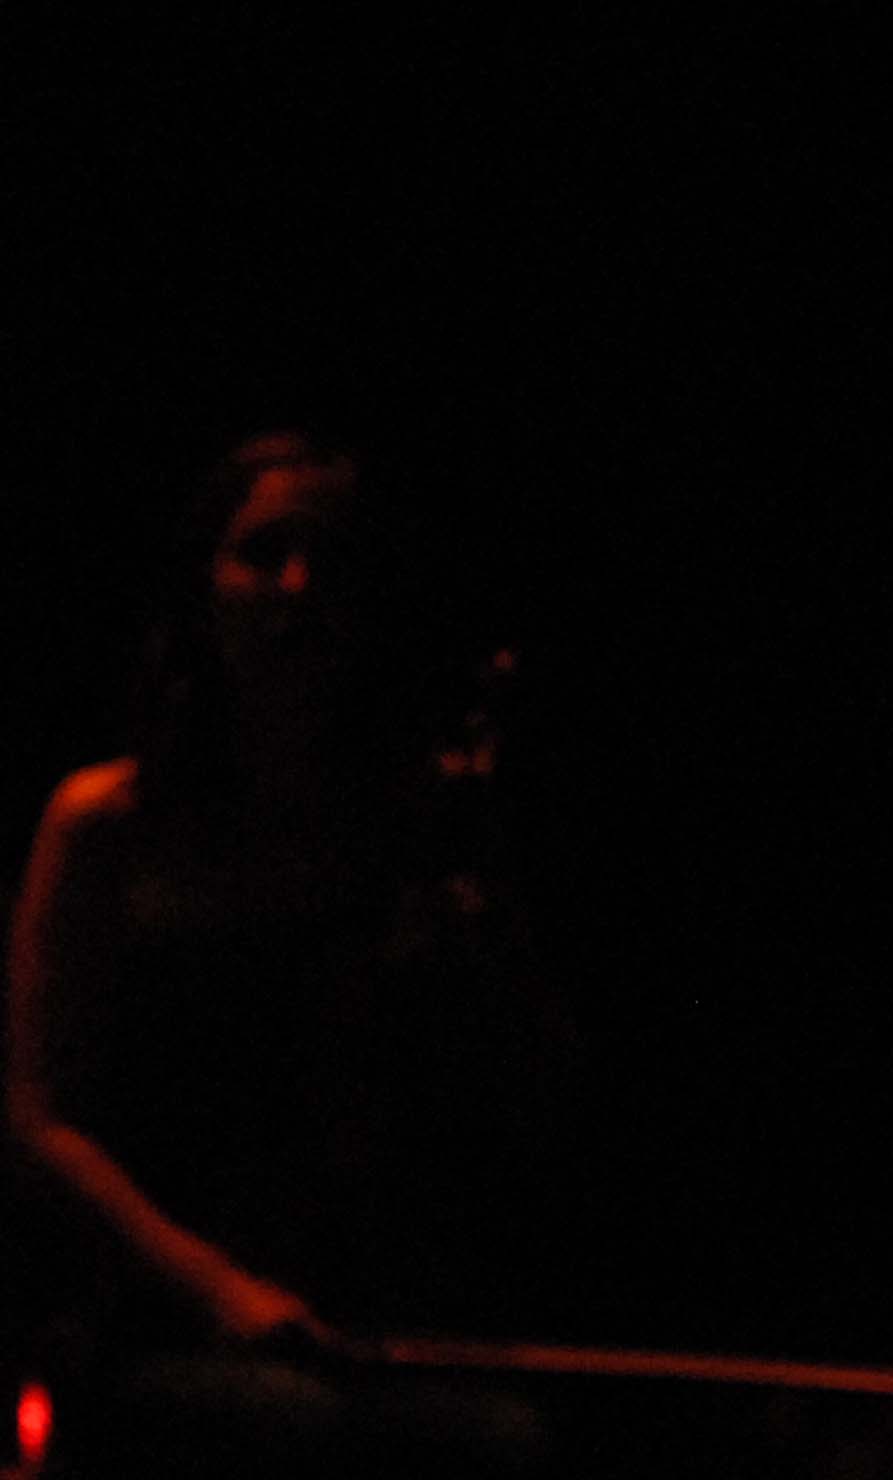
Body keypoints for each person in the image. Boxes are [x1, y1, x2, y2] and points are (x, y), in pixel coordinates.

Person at [6, 433, 572, 1473]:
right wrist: (218, 1288)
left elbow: (509, 1097)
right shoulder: (105, 823)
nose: (299, 589)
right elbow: (42, 1120)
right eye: (263, 553)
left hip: (340, 1308)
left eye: (332, 562)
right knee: (291, 1431)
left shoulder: (401, 823)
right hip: (148, 1311)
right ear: (202, 584)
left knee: (505, 1441)